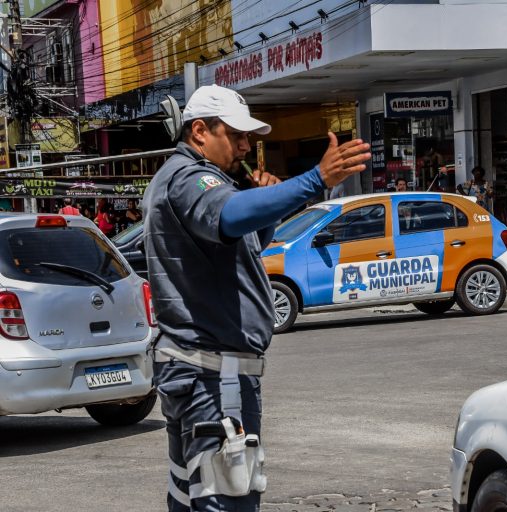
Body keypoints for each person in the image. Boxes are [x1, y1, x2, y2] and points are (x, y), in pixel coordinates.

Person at [142, 84, 370, 512]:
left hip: (199, 372)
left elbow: (229, 245)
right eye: (236, 134)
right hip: (213, 376)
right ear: (199, 132)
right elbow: (230, 215)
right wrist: (315, 180)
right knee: (227, 499)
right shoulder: (191, 178)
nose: (246, 145)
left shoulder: (181, 179)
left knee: (193, 496)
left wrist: (267, 209)